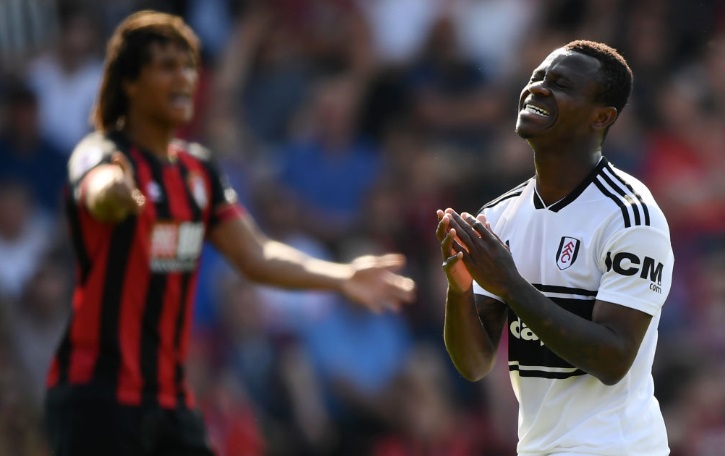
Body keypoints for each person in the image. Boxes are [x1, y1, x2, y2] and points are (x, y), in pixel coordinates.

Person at [44, 10, 416, 456]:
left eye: (182, 69)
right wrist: (115, 192)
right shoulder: (102, 154)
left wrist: (339, 276)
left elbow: (256, 255)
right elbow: (96, 186)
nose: (179, 82)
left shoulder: (198, 172)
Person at [436, 40, 673, 455]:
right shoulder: (500, 216)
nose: (538, 89)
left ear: (602, 117)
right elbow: (474, 365)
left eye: (560, 85)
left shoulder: (630, 216)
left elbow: (613, 359)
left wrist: (511, 285)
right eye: (537, 78)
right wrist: (459, 290)